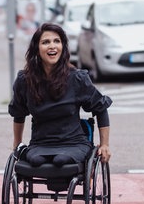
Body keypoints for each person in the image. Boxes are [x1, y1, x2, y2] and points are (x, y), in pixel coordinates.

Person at [8, 23, 112, 168]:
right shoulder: (25, 80)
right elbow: (18, 113)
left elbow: (100, 108)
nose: (52, 46)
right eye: (45, 42)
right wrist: (17, 143)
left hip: (73, 143)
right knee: (36, 161)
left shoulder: (77, 78)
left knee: (60, 160)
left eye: (57, 41)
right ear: (37, 49)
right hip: (40, 144)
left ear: (63, 47)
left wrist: (105, 145)